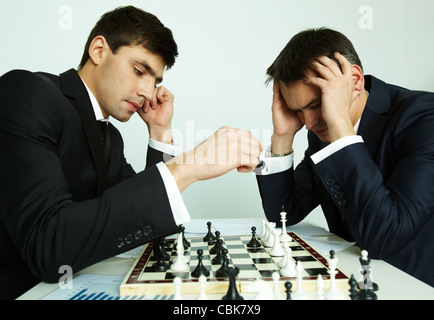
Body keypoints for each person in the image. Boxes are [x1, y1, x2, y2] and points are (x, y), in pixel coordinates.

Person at [0, 6, 261, 299]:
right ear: (99, 50)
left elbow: (139, 224)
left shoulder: (109, 137)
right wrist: (186, 167)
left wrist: (160, 133)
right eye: (139, 71)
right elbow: (47, 249)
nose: (149, 93)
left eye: (156, 81)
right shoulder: (27, 92)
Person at [255, 27, 434, 287]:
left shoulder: (424, 118)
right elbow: (283, 213)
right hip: (353, 279)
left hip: (414, 285)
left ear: (355, 80)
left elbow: (385, 239)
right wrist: (282, 137)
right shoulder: (320, 130)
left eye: (316, 105)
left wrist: (340, 127)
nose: (308, 123)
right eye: (298, 111)